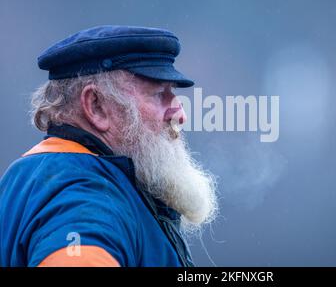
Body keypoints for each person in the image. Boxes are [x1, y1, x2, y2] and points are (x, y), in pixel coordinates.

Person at [0, 25, 218, 267]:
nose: (180, 114)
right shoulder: (84, 197)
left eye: (172, 92)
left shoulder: (32, 175)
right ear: (96, 106)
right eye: (158, 93)